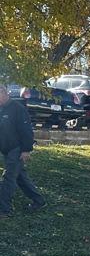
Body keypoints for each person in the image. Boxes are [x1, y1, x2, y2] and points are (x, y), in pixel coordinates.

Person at [0, 84, 46, 217]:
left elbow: (26, 131)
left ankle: (5, 210)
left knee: (8, 178)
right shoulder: (1, 109)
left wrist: (26, 150)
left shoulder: (17, 108)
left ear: (4, 93)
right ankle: (39, 201)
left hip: (17, 149)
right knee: (20, 177)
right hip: (6, 149)